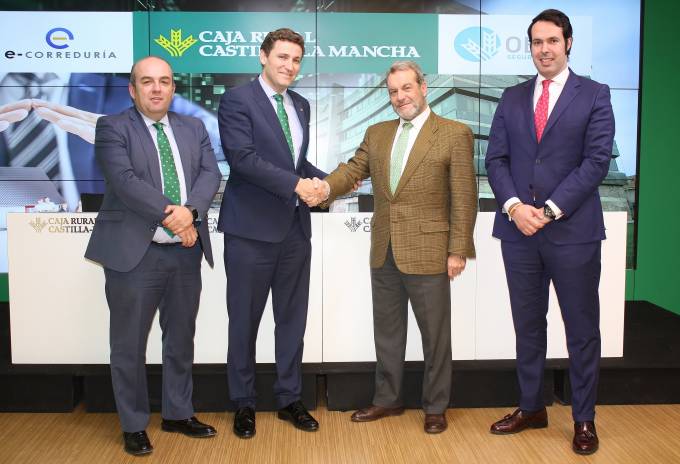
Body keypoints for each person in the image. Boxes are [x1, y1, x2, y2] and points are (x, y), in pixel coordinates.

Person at [310, 60, 477, 434]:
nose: (400, 97)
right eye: (393, 92)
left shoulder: (454, 133)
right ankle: (387, 398)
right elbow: (353, 170)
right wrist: (325, 187)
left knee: (435, 336)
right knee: (387, 332)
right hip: (384, 249)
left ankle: (435, 406)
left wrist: (457, 250)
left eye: (406, 88)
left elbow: (464, 197)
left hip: (430, 251)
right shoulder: (378, 133)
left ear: (423, 87)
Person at [484, 9, 615, 455]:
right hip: (519, 232)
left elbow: (596, 161)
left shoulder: (594, 94)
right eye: (537, 42)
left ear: (568, 43)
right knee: (527, 326)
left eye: (552, 41)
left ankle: (584, 419)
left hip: (573, 232)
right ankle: (531, 407)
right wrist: (515, 207)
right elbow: (496, 160)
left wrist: (551, 208)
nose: (544, 49)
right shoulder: (511, 97)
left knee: (581, 329)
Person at [85, 56, 221, 456]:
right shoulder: (112, 127)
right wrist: (174, 216)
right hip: (135, 255)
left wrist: (190, 213)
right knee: (128, 344)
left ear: (173, 89)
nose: (157, 88)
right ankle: (133, 424)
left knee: (180, 338)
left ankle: (178, 413)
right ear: (133, 90)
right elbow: (125, 182)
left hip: (184, 253)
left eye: (164, 81)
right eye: (147, 81)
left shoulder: (194, 127)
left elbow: (210, 175)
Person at [217, 28, 326, 438]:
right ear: (263, 56)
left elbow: (295, 164)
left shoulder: (300, 104)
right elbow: (243, 159)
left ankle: (289, 398)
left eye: (296, 59)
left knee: (292, 321)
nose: (289, 66)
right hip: (249, 232)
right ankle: (243, 402)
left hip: (295, 231)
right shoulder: (237, 100)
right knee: (244, 322)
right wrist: (299, 186)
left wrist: (331, 181)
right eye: (282, 57)